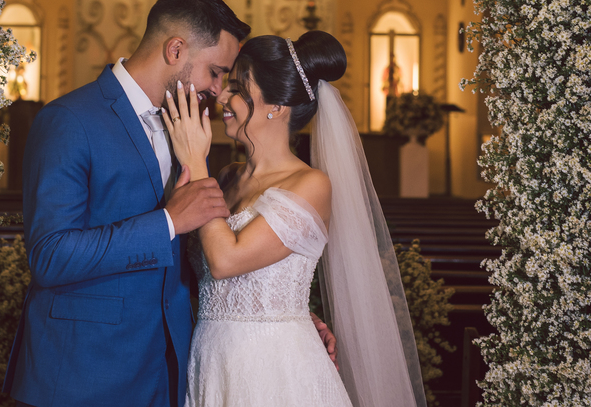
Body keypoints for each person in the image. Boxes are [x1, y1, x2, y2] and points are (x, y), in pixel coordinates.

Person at [4, 0, 335, 407]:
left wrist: (283, 314)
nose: (218, 92)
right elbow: (50, 256)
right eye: (216, 73)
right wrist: (167, 222)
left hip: (171, 369)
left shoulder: (185, 129)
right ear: (176, 50)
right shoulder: (70, 120)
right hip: (86, 371)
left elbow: (201, 261)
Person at [163, 31, 427, 407]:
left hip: (275, 369)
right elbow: (204, 278)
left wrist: (195, 161)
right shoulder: (224, 178)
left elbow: (227, 261)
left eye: (238, 88)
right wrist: (288, 307)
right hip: (212, 358)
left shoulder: (311, 184)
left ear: (277, 107)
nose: (222, 96)